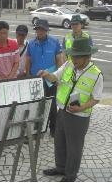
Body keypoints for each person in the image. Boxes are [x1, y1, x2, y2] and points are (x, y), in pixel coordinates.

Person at [38, 37, 103, 182]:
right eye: (73, 56)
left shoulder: (96, 74)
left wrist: (81, 107)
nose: (74, 60)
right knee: (59, 142)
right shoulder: (68, 64)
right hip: (62, 111)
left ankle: (70, 175)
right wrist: (47, 74)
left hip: (79, 117)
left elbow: (96, 98)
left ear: (87, 57)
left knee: (74, 147)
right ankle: (60, 167)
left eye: (77, 58)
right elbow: (55, 77)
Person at [25, 19, 63, 137]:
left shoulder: (54, 42)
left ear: (46, 30)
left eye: (42, 29)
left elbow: (59, 60)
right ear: (36, 30)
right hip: (36, 79)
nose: (40, 31)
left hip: (50, 79)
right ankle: (38, 129)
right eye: (38, 29)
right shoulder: (31, 44)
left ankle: (53, 129)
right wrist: (28, 77)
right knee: (37, 105)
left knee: (51, 105)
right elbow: (28, 61)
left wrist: (58, 77)